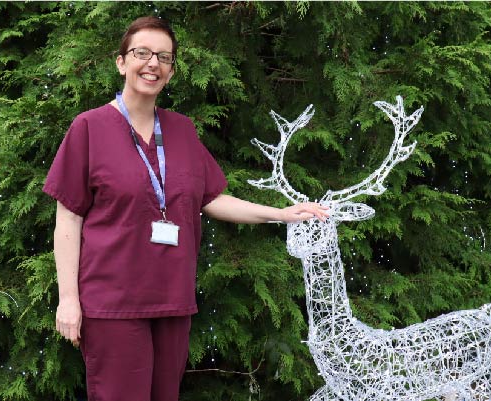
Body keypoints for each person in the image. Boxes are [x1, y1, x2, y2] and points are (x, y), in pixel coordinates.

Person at [43, 16, 328, 401]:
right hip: (112, 303)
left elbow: (211, 198)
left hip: (172, 300)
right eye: (141, 53)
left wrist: (280, 213)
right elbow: (69, 217)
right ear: (121, 62)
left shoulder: (181, 130)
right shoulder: (88, 128)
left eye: (163, 57)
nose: (152, 64)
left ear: (171, 71)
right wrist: (69, 299)